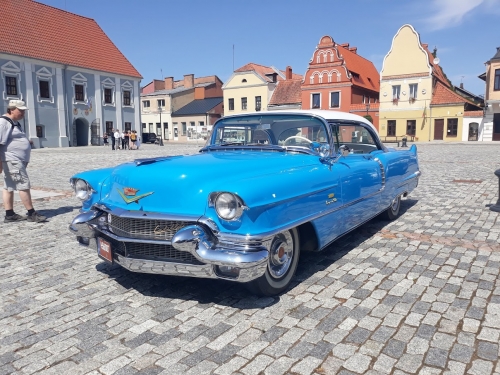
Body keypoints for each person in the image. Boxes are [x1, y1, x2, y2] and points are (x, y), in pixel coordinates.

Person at [0, 100, 47, 223]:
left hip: (15, 160)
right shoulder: (3, 122)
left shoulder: (14, 122)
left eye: (24, 110)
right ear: (11, 109)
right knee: (23, 185)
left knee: (8, 187)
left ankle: (9, 214)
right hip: (12, 160)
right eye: (20, 110)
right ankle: (31, 213)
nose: (23, 113)